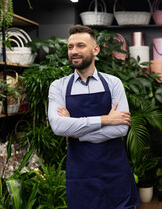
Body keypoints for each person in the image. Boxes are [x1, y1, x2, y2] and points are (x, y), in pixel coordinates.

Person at [48, 25, 140, 209]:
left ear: (95, 49)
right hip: (81, 176)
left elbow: (120, 128)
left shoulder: (114, 84)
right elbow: (58, 126)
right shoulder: (58, 87)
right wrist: (105, 119)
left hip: (115, 173)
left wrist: (76, 133)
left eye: (80, 45)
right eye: (70, 47)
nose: (74, 51)